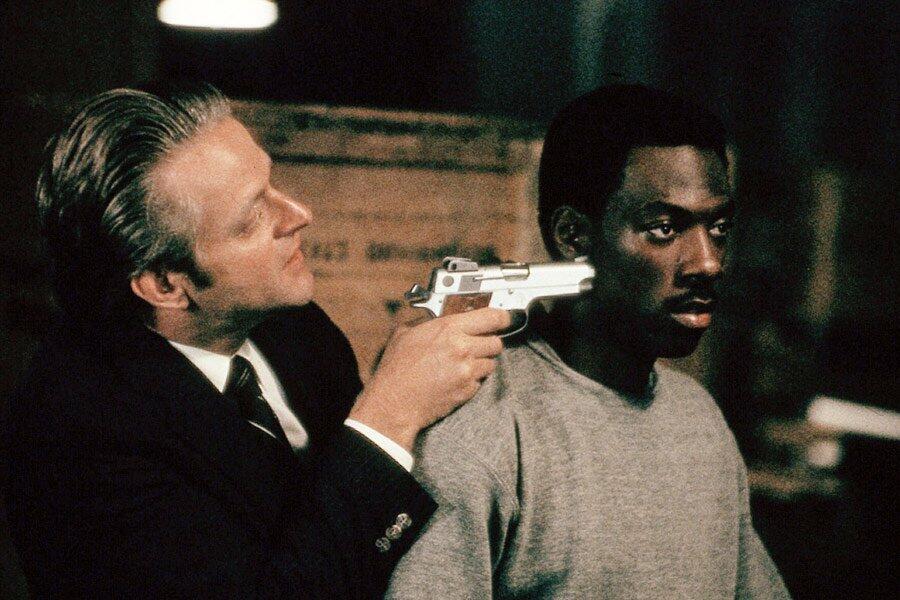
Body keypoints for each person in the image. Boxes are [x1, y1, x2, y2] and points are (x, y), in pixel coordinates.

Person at [3, 83, 509, 598]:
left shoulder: (292, 325)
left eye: (272, 184)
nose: (299, 214)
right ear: (164, 286)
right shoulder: (74, 437)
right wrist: (389, 415)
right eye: (250, 220)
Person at [386, 84, 790, 598]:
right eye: (664, 229)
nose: (708, 262)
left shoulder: (700, 418)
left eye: (719, 227)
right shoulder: (484, 431)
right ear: (573, 237)